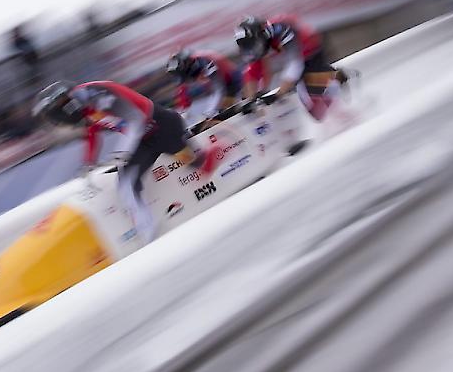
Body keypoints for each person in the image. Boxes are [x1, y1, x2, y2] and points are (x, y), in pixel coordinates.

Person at [33, 80, 219, 244]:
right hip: (141, 141)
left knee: (197, 163)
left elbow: (137, 118)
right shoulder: (83, 107)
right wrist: (88, 163)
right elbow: (91, 134)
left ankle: (216, 151)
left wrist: (123, 151)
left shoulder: (98, 95)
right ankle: (149, 233)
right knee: (126, 184)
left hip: (162, 126)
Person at [234, 15, 348, 120]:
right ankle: (330, 108)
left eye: (253, 46)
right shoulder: (259, 43)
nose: (252, 50)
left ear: (263, 34)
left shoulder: (281, 29)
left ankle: (336, 84)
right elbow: (252, 72)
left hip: (311, 49)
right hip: (297, 55)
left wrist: (279, 94)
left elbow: (295, 64)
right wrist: (251, 100)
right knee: (308, 102)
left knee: (308, 92)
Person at [166, 48, 242, 120]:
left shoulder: (205, 61)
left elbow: (220, 89)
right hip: (219, 84)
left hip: (233, 81)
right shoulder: (191, 67)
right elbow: (182, 90)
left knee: (220, 110)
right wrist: (183, 111)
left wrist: (210, 112)